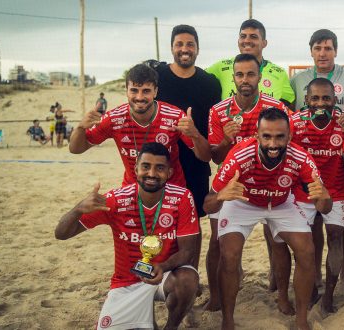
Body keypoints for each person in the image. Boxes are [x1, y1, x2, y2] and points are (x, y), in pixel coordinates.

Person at [203, 107, 332, 330]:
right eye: (267, 137)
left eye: (280, 137)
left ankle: (301, 320)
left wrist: (324, 197)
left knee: (307, 250)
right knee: (229, 253)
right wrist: (222, 196)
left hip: (281, 202)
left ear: (289, 136)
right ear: (257, 136)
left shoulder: (301, 157)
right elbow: (208, 204)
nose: (273, 144)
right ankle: (227, 320)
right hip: (241, 201)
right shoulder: (239, 155)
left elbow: (325, 208)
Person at [54, 142, 200, 330]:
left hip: (164, 275)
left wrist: (163, 266)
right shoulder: (115, 200)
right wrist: (78, 209)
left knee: (188, 279)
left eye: (160, 168)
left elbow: (188, 251)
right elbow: (61, 234)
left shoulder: (182, 197)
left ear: (170, 173)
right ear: (136, 168)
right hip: (126, 281)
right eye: (146, 166)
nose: (152, 174)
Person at [151, 24, 222, 316]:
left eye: (190, 44)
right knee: (159, 226)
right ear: (171, 47)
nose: (185, 49)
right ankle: (163, 276)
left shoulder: (208, 82)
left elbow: (212, 128)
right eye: (179, 44)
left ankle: (188, 278)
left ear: (197, 48)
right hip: (160, 163)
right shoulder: (158, 78)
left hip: (195, 163)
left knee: (192, 228)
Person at [69, 63, 211, 188]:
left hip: (171, 192)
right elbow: (76, 149)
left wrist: (195, 135)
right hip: (133, 191)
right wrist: (81, 127)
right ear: (126, 91)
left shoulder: (174, 116)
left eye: (146, 91)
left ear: (155, 92)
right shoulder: (114, 118)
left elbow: (205, 157)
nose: (140, 97)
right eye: (134, 90)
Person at [289, 78, 344, 313]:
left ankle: (329, 296)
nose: (320, 103)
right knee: (304, 243)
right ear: (306, 101)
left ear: (334, 100)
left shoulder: (343, 122)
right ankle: (312, 287)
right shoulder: (295, 122)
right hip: (303, 191)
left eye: (326, 98)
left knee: (335, 238)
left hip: (335, 189)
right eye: (315, 98)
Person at [207, 19, 295, 106]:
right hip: (233, 120)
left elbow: (288, 105)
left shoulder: (279, 73)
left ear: (264, 43)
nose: (247, 40)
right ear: (238, 42)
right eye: (243, 36)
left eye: (253, 37)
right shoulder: (221, 67)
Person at [290, 29, 344, 112]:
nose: (322, 54)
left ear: (335, 51)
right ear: (311, 52)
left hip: (343, 127)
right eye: (317, 48)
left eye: (328, 49)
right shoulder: (297, 79)